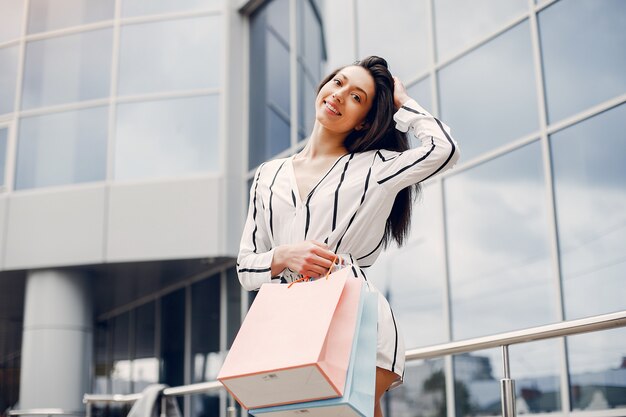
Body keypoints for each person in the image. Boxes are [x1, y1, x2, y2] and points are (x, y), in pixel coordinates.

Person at [237, 56, 459, 417]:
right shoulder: (268, 175)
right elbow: (246, 270)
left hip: (355, 324)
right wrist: (283, 256)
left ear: (365, 121)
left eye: (357, 97)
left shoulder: (376, 167)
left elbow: (444, 150)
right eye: (338, 82)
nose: (340, 95)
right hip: (290, 328)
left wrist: (403, 105)